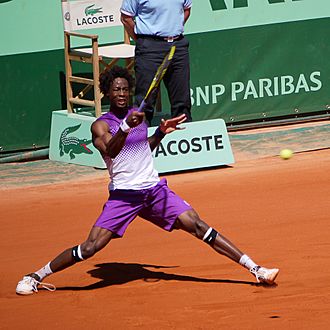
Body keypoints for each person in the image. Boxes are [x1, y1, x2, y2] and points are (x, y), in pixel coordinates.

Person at [16, 66, 279, 295]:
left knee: (197, 224)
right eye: (116, 89)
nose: (121, 94)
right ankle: (36, 275)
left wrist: (162, 133)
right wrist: (127, 127)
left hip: (153, 191)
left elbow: (143, 147)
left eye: (125, 89)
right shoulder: (101, 125)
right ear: (107, 92)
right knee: (91, 247)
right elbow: (111, 150)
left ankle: (255, 268)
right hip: (124, 196)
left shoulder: (138, 117)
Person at [120, 0, 193, 125]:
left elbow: (186, 10)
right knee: (145, 100)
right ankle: (140, 137)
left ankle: (185, 134)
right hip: (149, 47)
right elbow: (126, 18)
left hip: (178, 45)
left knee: (182, 100)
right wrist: (143, 40)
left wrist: (171, 30)